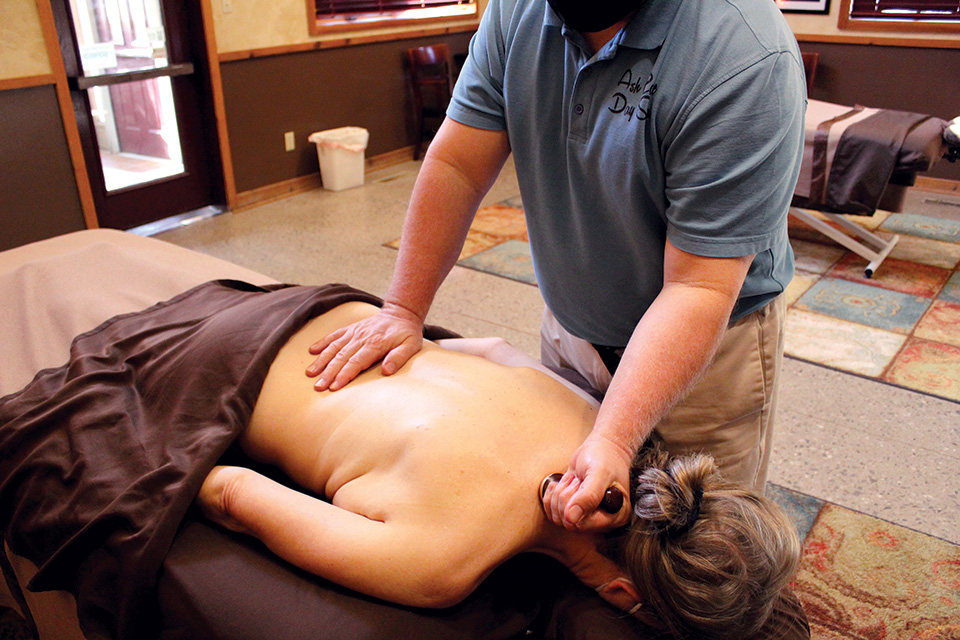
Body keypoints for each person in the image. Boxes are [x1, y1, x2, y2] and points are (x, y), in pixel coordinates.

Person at [305, 0, 806, 534]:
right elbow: (456, 165)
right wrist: (403, 309)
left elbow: (697, 288)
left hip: (708, 351)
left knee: (696, 553)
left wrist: (614, 437)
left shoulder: (744, 55)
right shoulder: (517, 12)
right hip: (574, 325)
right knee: (571, 532)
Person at [198, 299, 806, 638]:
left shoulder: (603, 421)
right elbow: (229, 493)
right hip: (218, 371)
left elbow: (483, 351)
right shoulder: (442, 564)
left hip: (331, 310)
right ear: (623, 595)